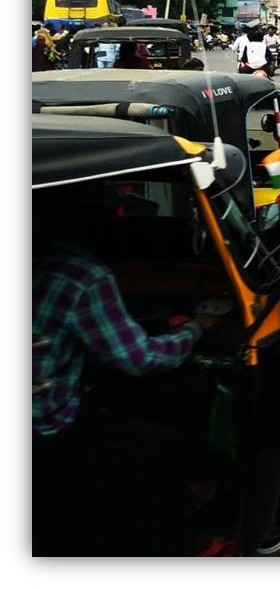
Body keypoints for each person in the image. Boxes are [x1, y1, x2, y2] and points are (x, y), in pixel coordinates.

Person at [33, 234, 218, 554]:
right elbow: (140, 358)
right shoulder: (82, 277)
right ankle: (195, 489)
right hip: (50, 423)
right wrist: (196, 327)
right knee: (195, 383)